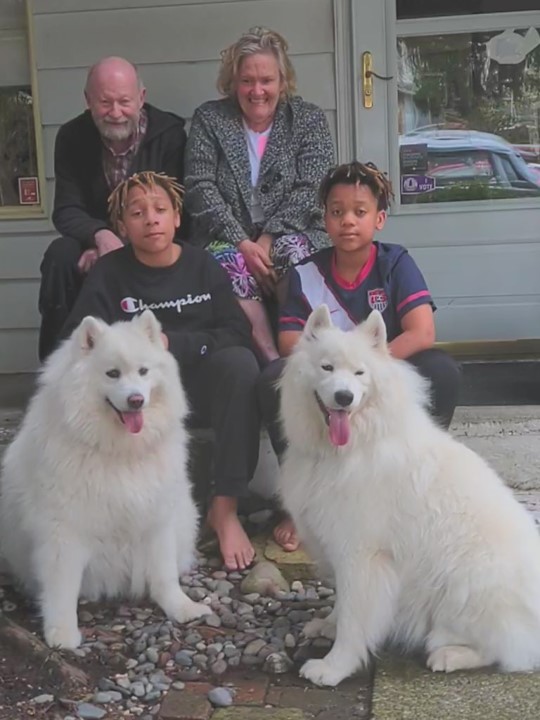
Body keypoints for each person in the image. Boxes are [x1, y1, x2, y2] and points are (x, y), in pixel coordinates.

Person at [61, 172, 261, 572]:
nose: (150, 219)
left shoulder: (202, 265)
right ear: (122, 226)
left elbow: (237, 332)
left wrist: (176, 344)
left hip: (200, 388)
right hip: (137, 398)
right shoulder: (109, 273)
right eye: (137, 213)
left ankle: (225, 509)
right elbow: (77, 343)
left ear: (176, 217)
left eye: (159, 210)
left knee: (240, 365)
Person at [257, 160, 462, 551]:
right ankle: (296, 504)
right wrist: (337, 364)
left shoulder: (395, 262)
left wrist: (366, 366)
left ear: (379, 218)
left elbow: (422, 331)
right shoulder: (306, 273)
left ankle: (412, 481)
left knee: (441, 370)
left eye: (359, 211)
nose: (347, 221)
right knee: (273, 378)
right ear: (325, 219)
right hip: (327, 377)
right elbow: (290, 344)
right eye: (337, 212)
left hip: (381, 372)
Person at [184, 27, 335, 364]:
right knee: (229, 261)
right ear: (233, 82)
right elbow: (199, 186)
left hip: (290, 230)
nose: (257, 90)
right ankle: (272, 361)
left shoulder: (307, 120)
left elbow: (312, 189)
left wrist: (266, 238)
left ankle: (305, 351)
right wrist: (242, 242)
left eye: (266, 80)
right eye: (246, 80)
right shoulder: (210, 118)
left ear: (283, 82)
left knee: (293, 250)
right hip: (227, 236)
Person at [39, 56, 187, 361]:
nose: (116, 112)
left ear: (141, 98)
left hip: (153, 241)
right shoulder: (71, 136)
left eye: (124, 101)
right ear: (88, 101)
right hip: (93, 247)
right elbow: (66, 209)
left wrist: (121, 249)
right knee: (59, 255)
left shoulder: (170, 135)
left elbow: (175, 210)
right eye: (105, 102)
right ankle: (58, 361)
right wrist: (100, 235)